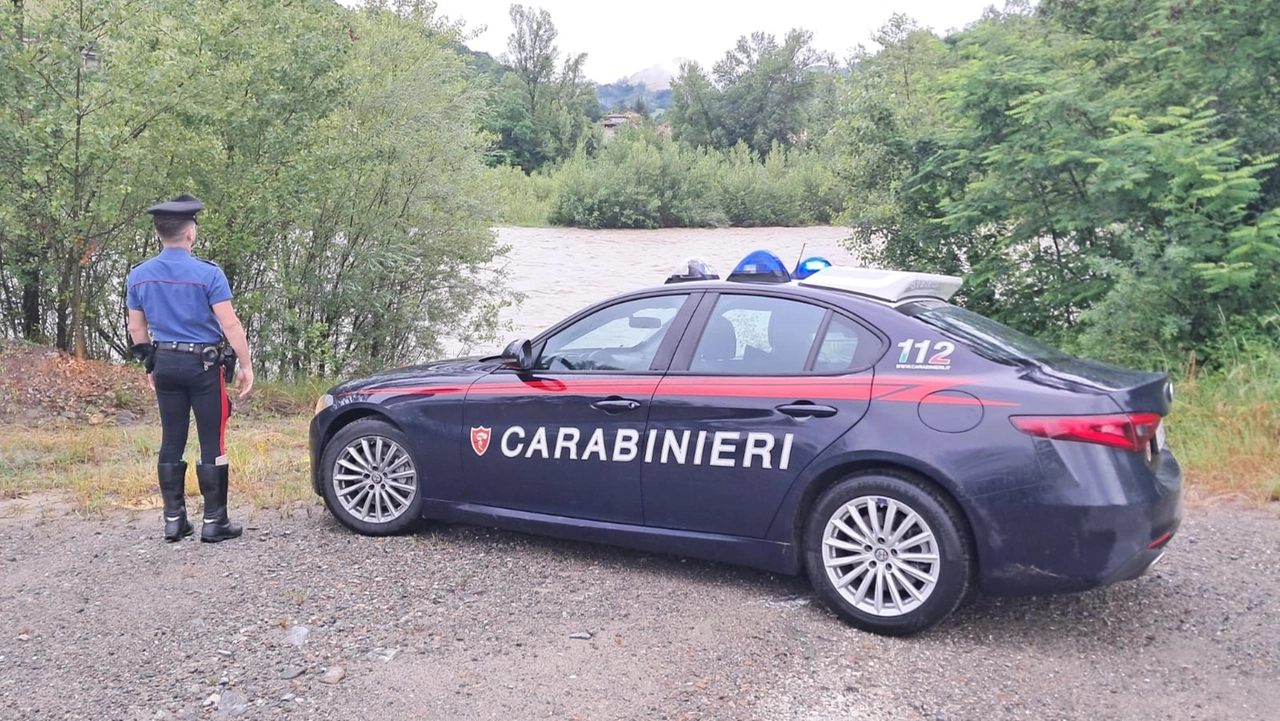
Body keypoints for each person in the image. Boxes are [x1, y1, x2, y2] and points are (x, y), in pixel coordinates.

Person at [126, 194, 255, 543]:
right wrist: (245, 364)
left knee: (172, 438)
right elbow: (230, 325)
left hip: (165, 362)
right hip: (204, 365)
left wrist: (151, 362)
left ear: (158, 233)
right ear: (190, 233)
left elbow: (137, 331)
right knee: (211, 439)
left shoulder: (138, 276)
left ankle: (174, 520)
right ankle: (215, 522)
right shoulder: (208, 274)